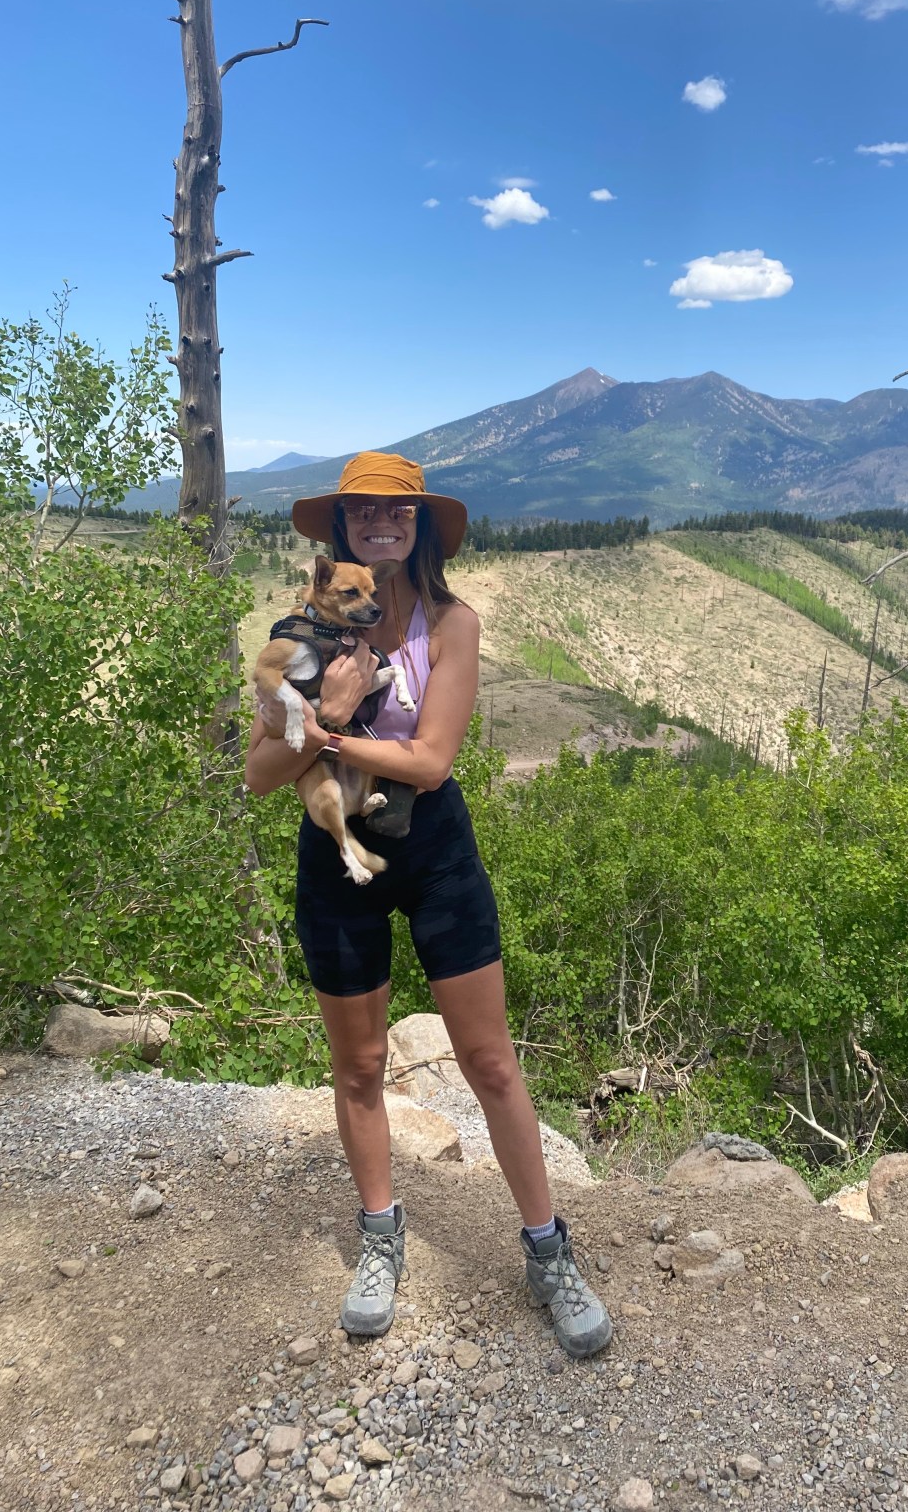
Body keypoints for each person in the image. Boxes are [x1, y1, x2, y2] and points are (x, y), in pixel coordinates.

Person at [245, 452, 611, 1359]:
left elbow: (435, 762)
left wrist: (324, 726)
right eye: (363, 511)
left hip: (435, 846)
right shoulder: (302, 635)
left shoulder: (453, 624)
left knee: (489, 1062)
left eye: (396, 513)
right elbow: (258, 775)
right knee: (360, 1066)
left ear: (419, 530)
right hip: (338, 849)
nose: (380, 523)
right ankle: (380, 1239)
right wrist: (321, 714)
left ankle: (547, 1250)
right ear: (341, 533)